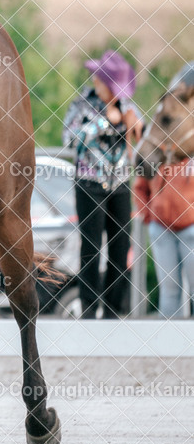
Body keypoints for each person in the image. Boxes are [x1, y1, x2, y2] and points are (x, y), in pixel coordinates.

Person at [63, 50, 143, 318]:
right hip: (89, 185)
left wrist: (138, 128)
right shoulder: (82, 105)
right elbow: (69, 140)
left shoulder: (130, 107)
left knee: (121, 249)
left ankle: (112, 311)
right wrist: (102, 122)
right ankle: (89, 310)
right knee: (91, 249)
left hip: (120, 185)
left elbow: (143, 152)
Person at [133, 65, 194, 318]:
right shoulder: (168, 148)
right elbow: (141, 184)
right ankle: (166, 354)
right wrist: (150, 217)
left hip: (190, 227)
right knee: (169, 293)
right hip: (162, 227)